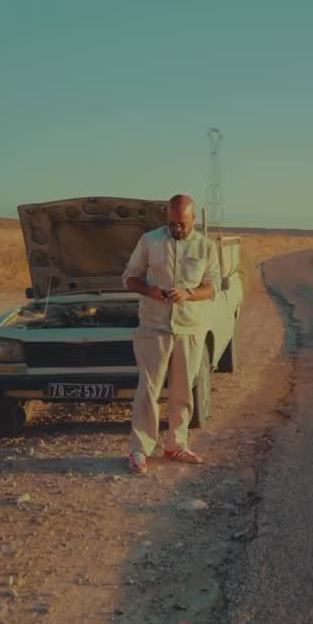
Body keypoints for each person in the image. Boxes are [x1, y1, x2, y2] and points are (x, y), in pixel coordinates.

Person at [122, 193, 221, 473]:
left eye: (183, 224)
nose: (177, 228)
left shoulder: (206, 247)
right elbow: (129, 278)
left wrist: (188, 293)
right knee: (148, 390)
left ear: (194, 219)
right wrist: (149, 290)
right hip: (153, 327)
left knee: (182, 391)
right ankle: (139, 450)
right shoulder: (149, 241)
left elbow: (213, 286)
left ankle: (176, 445)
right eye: (172, 223)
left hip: (190, 328)